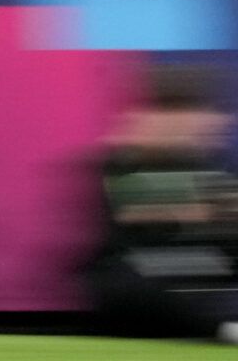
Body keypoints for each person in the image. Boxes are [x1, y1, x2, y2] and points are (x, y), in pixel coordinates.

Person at [77, 62, 238, 342]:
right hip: (139, 285)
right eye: (169, 112)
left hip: (206, 283)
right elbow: (127, 233)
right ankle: (222, 326)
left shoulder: (214, 173)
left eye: (190, 112)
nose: (182, 123)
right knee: (136, 279)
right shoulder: (115, 169)